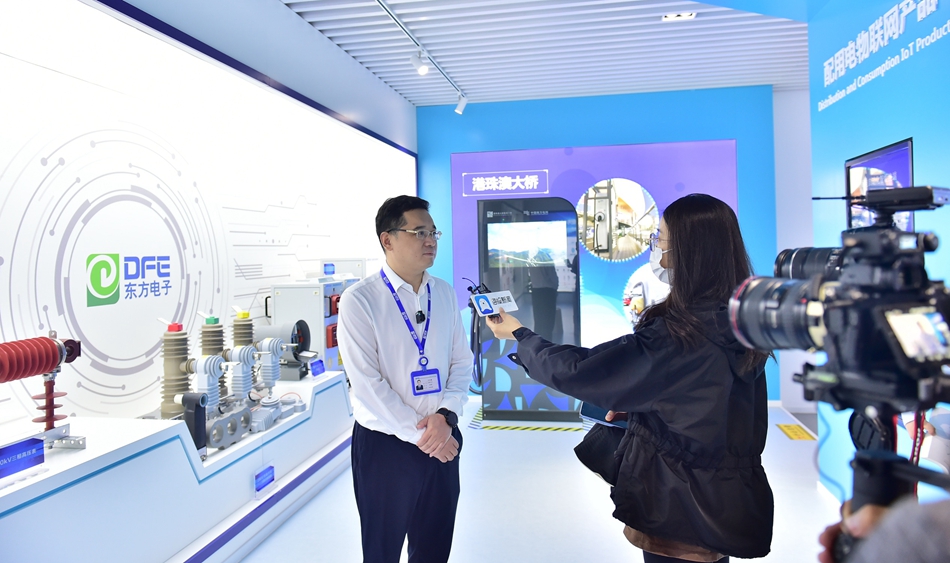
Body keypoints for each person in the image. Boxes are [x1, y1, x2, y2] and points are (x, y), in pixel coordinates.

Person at [488, 193, 774, 562]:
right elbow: (709, 404)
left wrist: (520, 336)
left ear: (689, 251)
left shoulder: (677, 335)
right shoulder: (742, 324)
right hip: (724, 503)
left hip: (677, 504)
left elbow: (582, 371)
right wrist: (646, 407)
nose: (657, 250)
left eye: (661, 240)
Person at [337, 195, 472, 563]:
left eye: (433, 233)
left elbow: (462, 362)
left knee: (434, 548)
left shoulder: (443, 293)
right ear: (388, 239)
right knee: (382, 550)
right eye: (419, 232)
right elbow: (367, 383)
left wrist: (446, 416)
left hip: (444, 434)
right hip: (387, 447)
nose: (430, 241)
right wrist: (424, 437)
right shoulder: (359, 300)